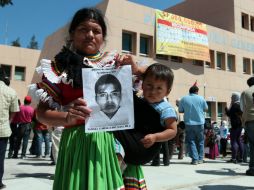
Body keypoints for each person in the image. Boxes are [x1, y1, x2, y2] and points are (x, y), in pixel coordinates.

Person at [29, 8, 147, 189]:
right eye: (83, 29)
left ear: (103, 37)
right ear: (72, 34)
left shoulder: (115, 63)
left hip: (112, 142)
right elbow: (42, 114)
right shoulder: (59, 68)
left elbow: (158, 81)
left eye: (96, 31)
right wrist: (67, 117)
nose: (90, 35)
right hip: (77, 144)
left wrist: (137, 70)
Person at [140, 63, 177, 166]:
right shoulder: (139, 102)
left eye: (159, 88)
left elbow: (172, 130)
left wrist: (156, 137)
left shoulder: (166, 109)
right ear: (142, 85)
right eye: (149, 85)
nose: (153, 91)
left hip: (149, 145)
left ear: (167, 92)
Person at [0, 66, 20, 189]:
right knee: (0, 157)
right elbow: (14, 111)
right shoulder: (11, 92)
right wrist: (8, 121)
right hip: (2, 130)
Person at [179, 84, 208, 165]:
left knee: (191, 141)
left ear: (190, 91)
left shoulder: (184, 98)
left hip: (189, 123)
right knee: (201, 141)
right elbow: (206, 109)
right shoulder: (201, 98)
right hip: (200, 122)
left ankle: (195, 159)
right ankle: (201, 159)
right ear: (197, 91)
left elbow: (180, 111)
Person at [240, 76, 254, 176]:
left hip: (250, 121)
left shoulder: (245, 92)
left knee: (252, 146)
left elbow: (242, 108)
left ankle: (252, 168)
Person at [225, 92, 243, 164]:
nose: (231, 98)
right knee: (239, 141)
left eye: (232, 97)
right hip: (240, 125)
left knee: (234, 142)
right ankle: (241, 157)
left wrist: (226, 109)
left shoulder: (234, 105)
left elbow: (229, 114)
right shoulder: (240, 105)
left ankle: (234, 158)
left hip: (235, 125)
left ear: (235, 97)